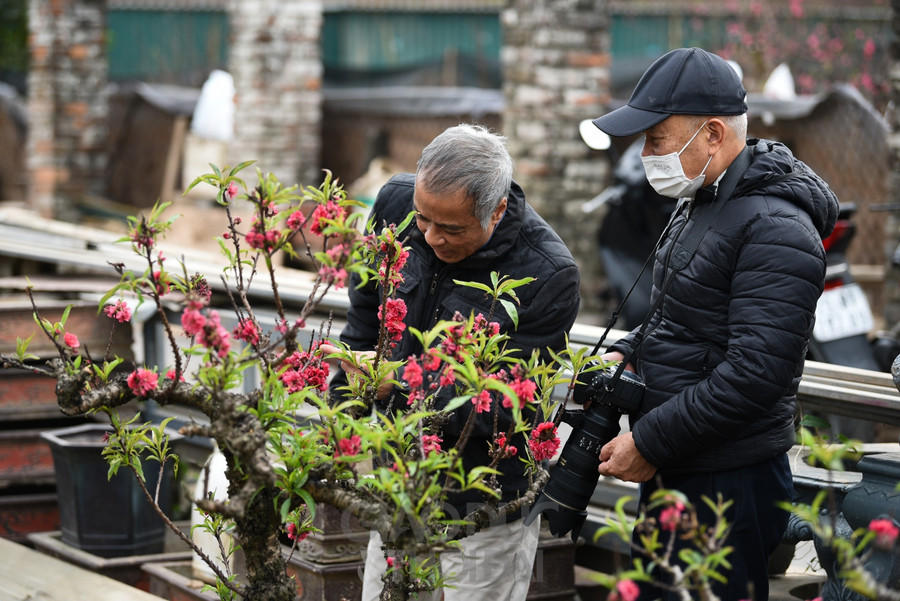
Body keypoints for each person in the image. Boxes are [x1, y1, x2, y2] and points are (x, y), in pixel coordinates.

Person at [590, 47, 839, 600]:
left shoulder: (775, 225)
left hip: (729, 480)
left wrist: (650, 440)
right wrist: (624, 353)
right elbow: (677, 318)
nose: (646, 152)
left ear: (712, 134)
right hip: (684, 462)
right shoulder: (706, 199)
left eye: (657, 138)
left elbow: (756, 374)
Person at [325, 123, 581, 601]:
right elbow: (365, 316)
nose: (432, 236)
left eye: (452, 228)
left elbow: (511, 406)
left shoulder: (547, 273)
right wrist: (342, 412)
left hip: (484, 501)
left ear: (497, 210)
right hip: (398, 482)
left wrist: (396, 385)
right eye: (424, 220)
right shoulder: (395, 204)